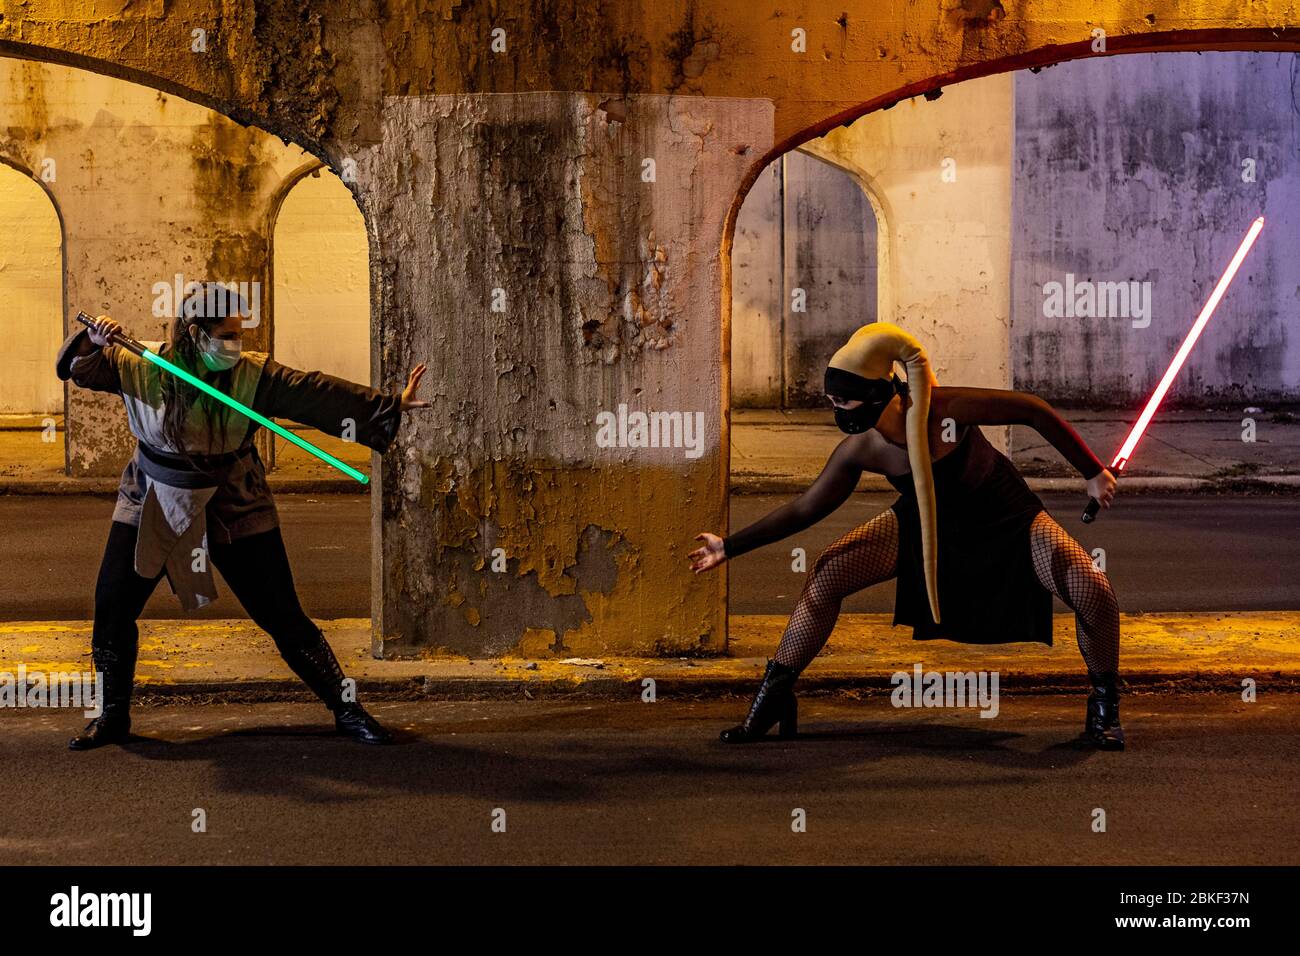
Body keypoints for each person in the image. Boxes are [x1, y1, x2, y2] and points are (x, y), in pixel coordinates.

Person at [690, 322, 1125, 749]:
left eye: (844, 401)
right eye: (830, 401)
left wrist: (1092, 472)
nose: (837, 412)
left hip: (1006, 517)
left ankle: (1104, 706)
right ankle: (774, 698)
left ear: (879, 395)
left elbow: (1032, 409)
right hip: (924, 523)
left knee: (1092, 587)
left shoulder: (945, 409)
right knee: (828, 572)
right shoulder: (861, 450)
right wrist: (729, 546)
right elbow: (805, 509)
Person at [55, 292, 430, 749]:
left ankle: (346, 709)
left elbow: (313, 392)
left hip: (233, 499)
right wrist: (94, 342)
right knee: (113, 607)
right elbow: (80, 369)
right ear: (195, 334)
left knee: (281, 613)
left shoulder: (253, 375)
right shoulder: (139, 363)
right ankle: (112, 717)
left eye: (239, 334)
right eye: (227, 335)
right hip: (152, 495)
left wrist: (387, 406)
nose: (236, 343)